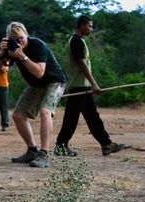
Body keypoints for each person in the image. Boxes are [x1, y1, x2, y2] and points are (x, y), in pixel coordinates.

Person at [0, 22, 67, 168]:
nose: (19, 42)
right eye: (15, 39)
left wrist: (22, 56)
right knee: (18, 115)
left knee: (45, 111)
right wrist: (1, 53)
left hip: (55, 81)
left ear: (26, 34)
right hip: (36, 85)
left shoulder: (37, 44)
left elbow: (39, 72)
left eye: (21, 38)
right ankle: (32, 151)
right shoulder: (11, 48)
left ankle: (44, 154)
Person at [55, 15, 128, 157]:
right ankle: (105, 144)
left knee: (83, 118)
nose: (91, 29)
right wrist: (93, 83)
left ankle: (103, 144)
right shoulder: (76, 41)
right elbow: (82, 64)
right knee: (89, 118)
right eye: (89, 26)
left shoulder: (78, 41)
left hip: (79, 85)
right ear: (81, 26)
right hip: (80, 86)